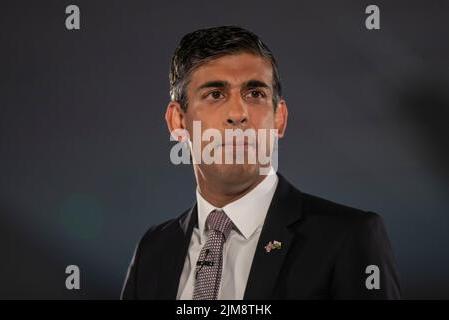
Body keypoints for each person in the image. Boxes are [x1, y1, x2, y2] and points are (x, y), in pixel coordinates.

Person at [121, 25, 402, 300]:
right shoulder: (153, 250)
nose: (237, 113)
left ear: (279, 118)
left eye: (255, 94)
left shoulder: (348, 237)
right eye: (215, 94)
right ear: (178, 121)